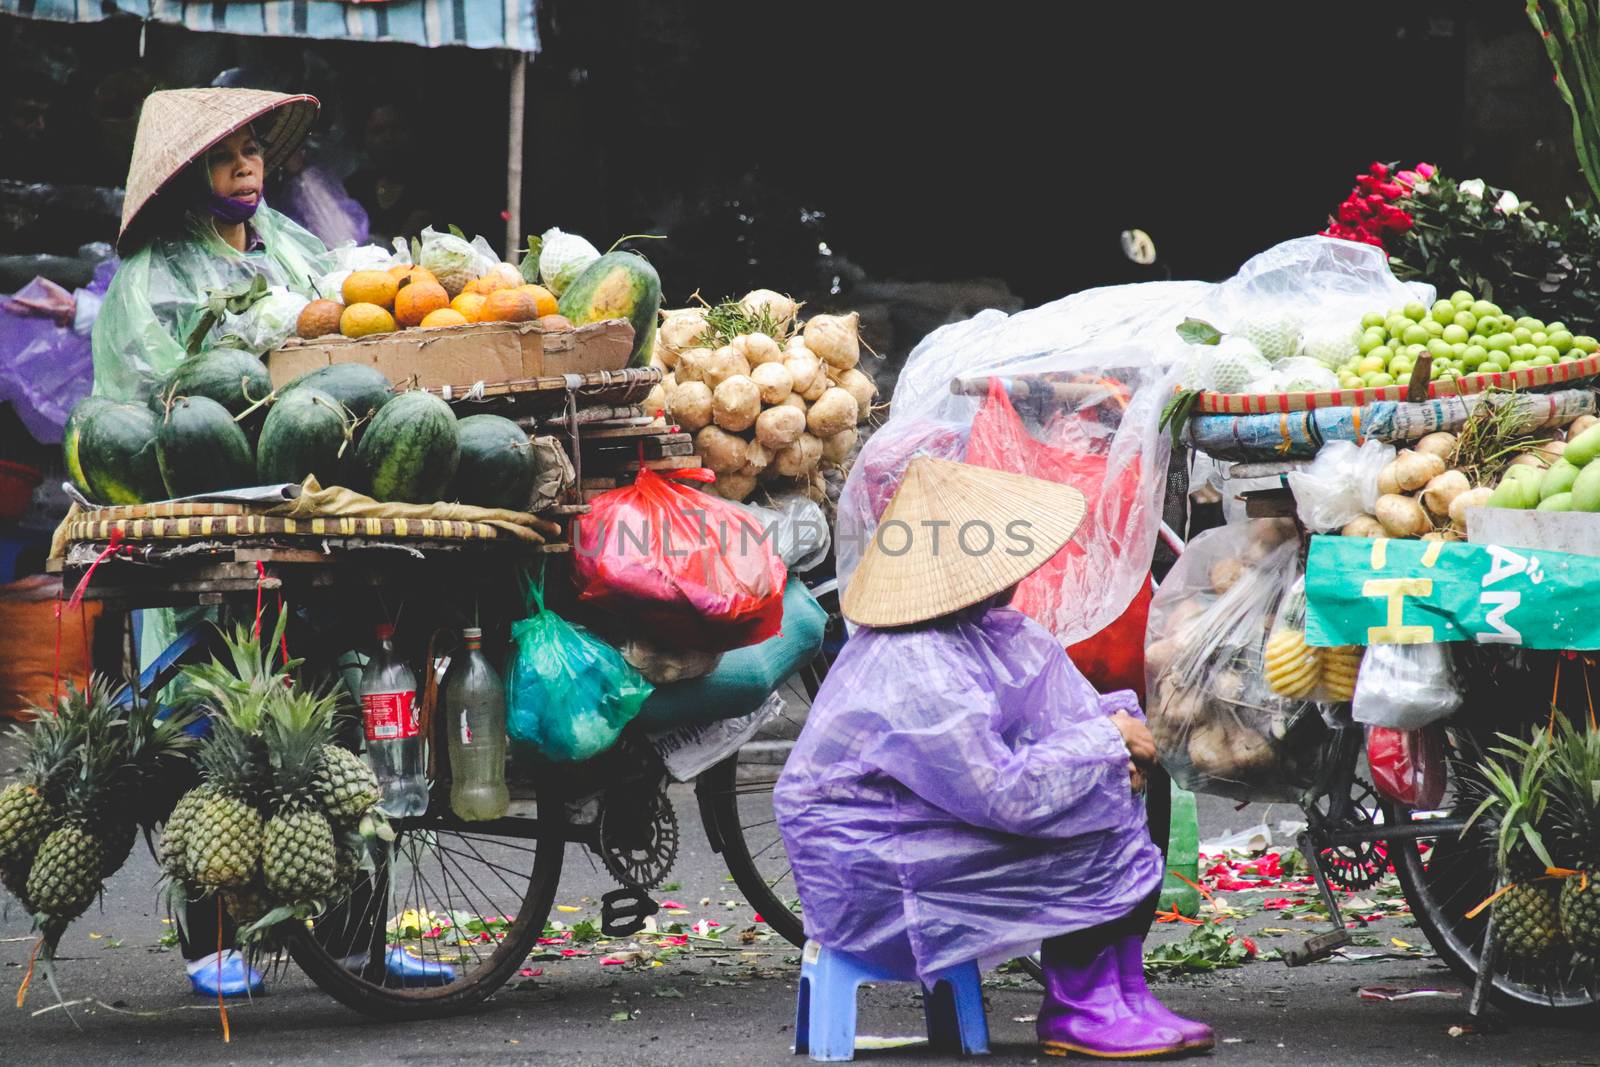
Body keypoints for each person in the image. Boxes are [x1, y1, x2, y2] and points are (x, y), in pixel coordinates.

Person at [89, 87, 453, 998]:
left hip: (308, 515)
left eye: (252, 151)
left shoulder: (295, 249)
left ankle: (361, 935)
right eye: (224, 156)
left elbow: (343, 337)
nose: (246, 166)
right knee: (208, 728)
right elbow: (143, 410)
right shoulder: (153, 279)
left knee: (338, 724)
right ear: (184, 178)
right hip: (204, 528)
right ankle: (211, 934)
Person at [774, 457, 1213, 1059]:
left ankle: (1119, 991)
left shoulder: (989, 631)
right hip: (877, 867)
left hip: (929, 824)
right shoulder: (916, 662)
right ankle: (1082, 1007)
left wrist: (1118, 736)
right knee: (1093, 814)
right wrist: (1109, 746)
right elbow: (1002, 793)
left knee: (1114, 794)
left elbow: (1065, 710)